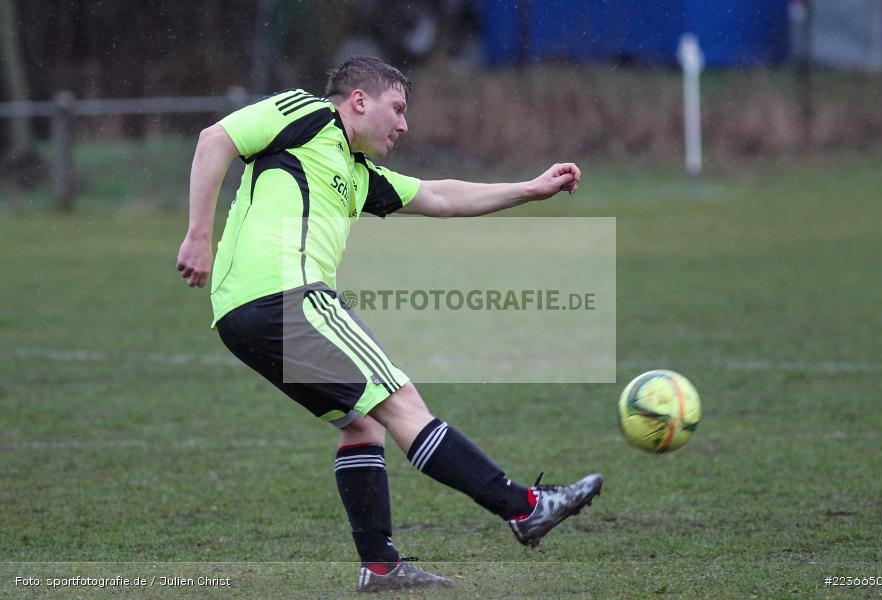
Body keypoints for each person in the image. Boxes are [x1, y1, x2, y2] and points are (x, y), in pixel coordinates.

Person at [176, 56, 601, 593]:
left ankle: (380, 567)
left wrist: (529, 189)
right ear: (359, 100)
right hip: (287, 295)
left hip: (242, 313)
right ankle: (524, 508)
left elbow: (440, 197)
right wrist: (197, 234)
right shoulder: (306, 114)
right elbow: (215, 138)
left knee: (362, 425)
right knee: (402, 403)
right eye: (396, 109)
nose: (404, 124)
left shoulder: (358, 174)